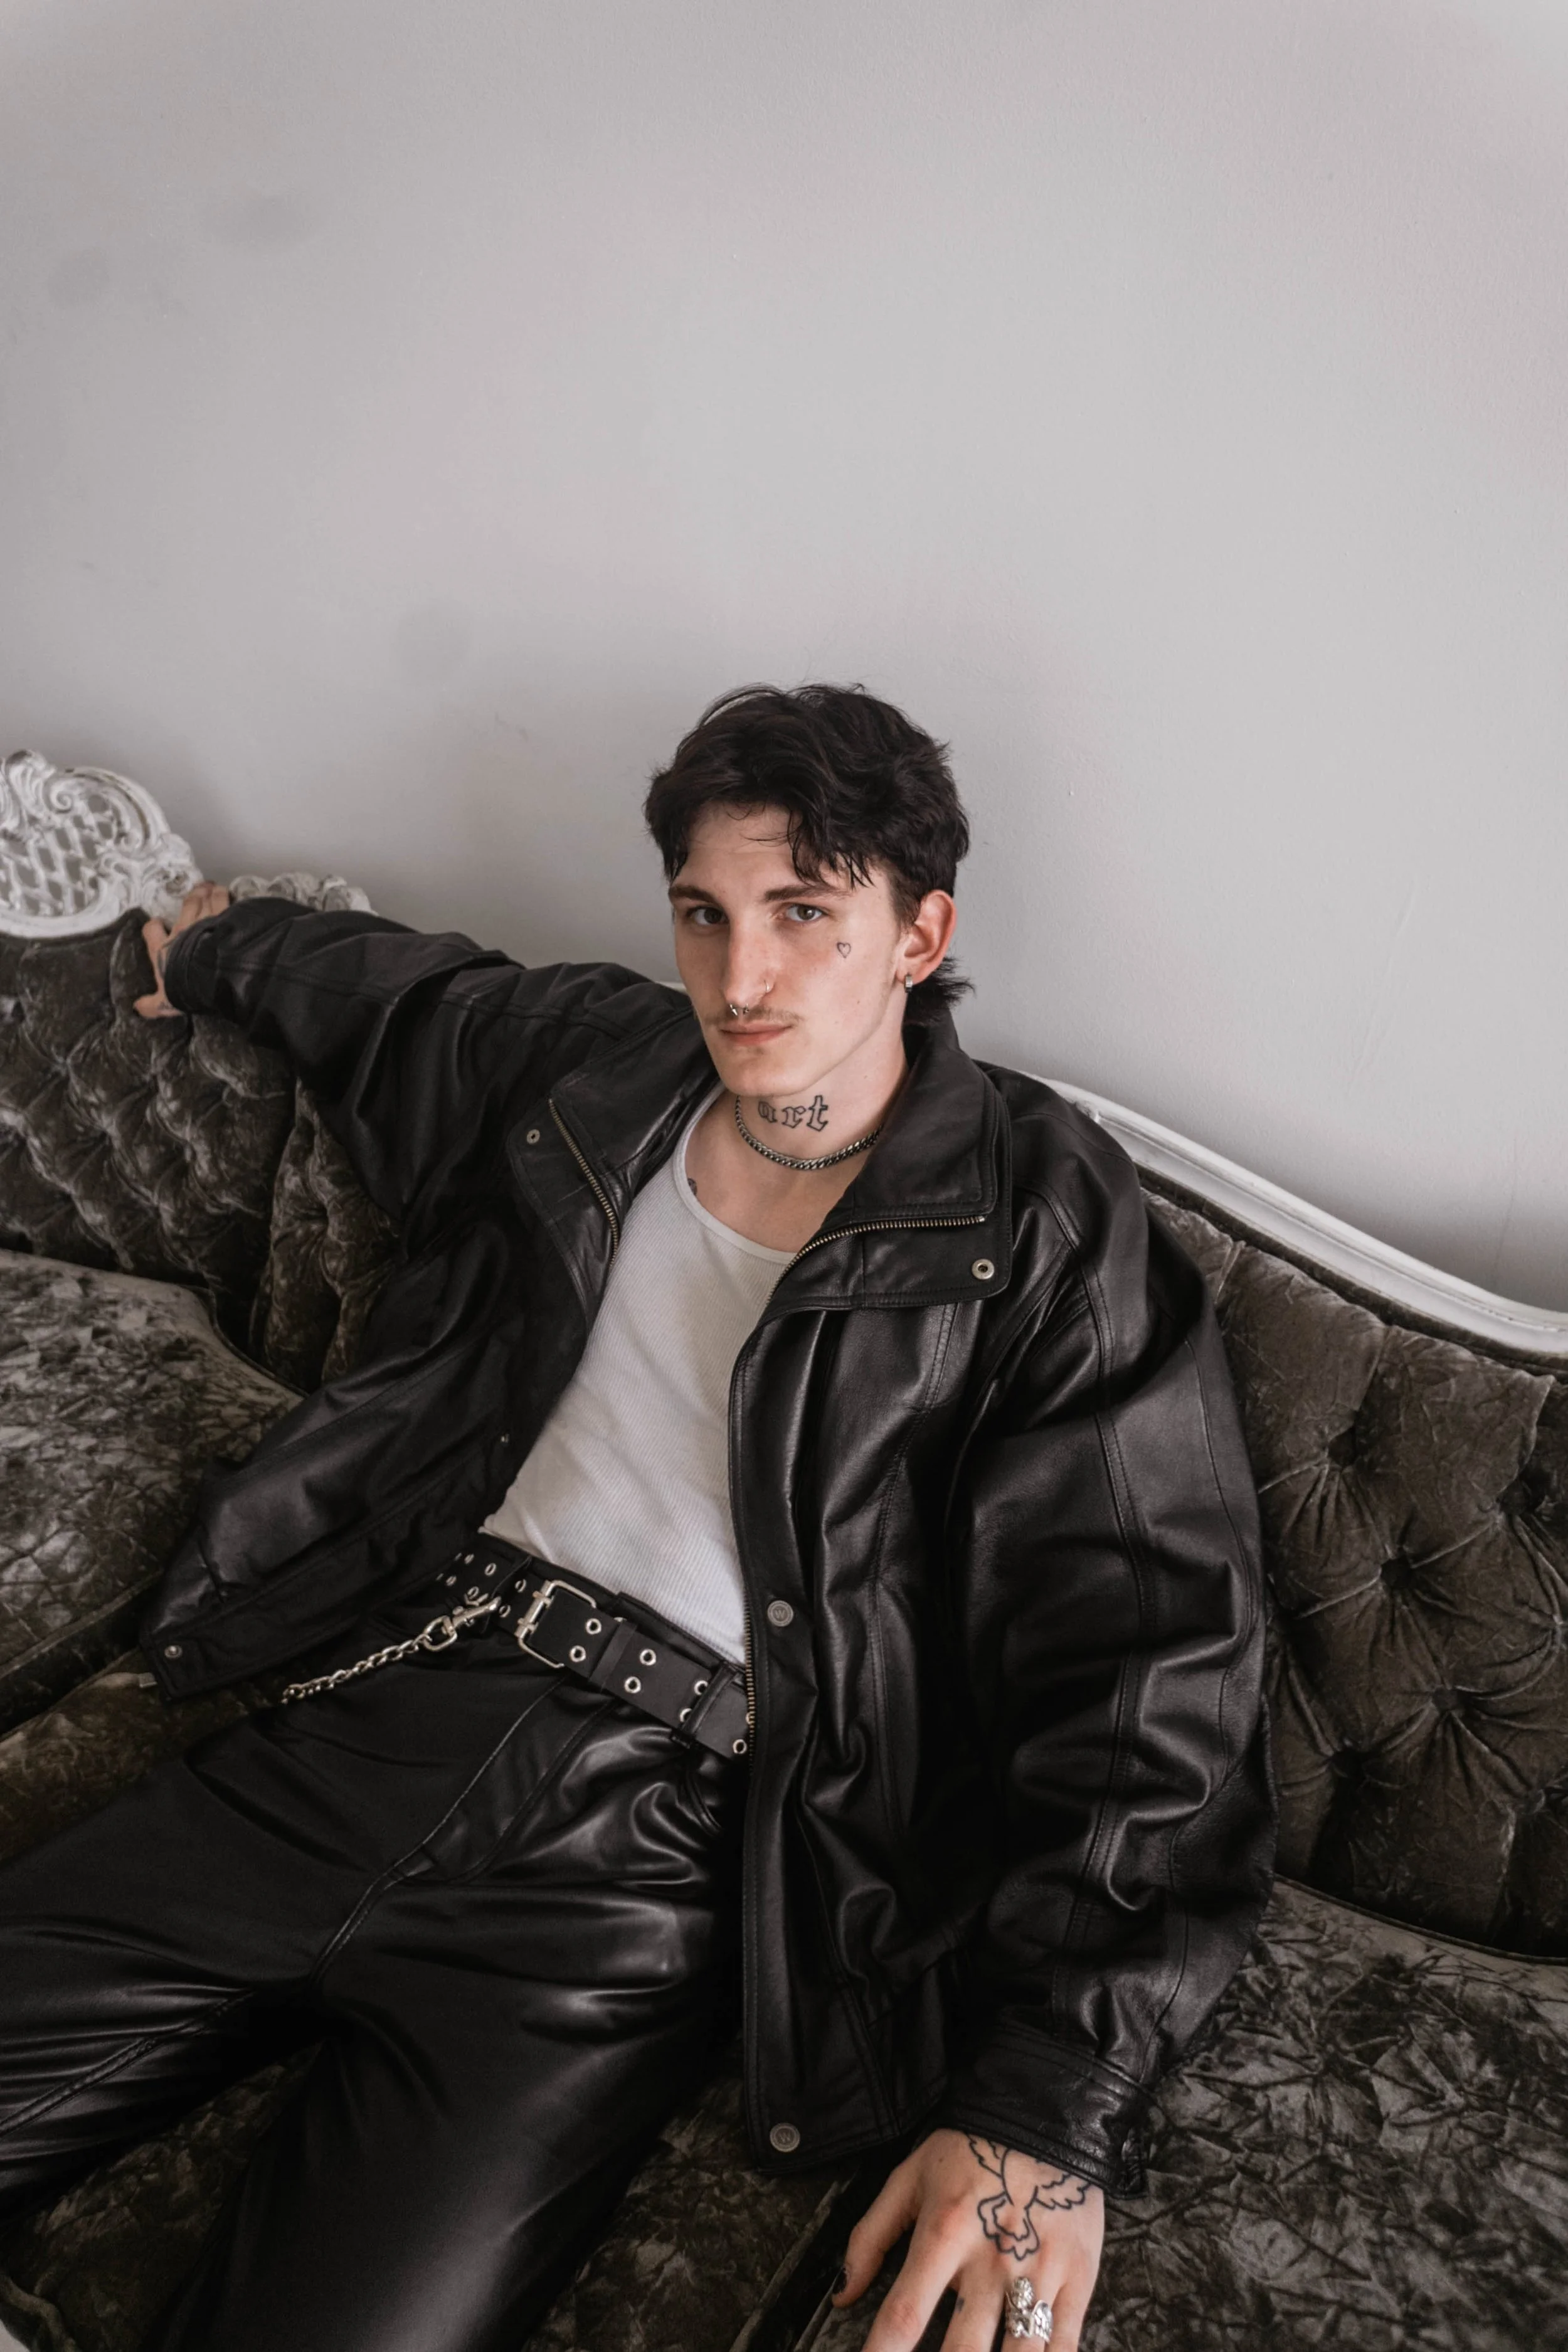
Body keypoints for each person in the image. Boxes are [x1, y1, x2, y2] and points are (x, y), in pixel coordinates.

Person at [0, 684, 1274, 2352]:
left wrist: (1046, 2110)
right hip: (374, 1711)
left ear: (918, 929)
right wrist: (218, 947)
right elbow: (400, 1003)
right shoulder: (598, 1064)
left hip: (643, 1875)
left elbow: (1153, 1665)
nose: (742, 977)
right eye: (706, 912)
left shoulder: (1039, 1221)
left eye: (805, 914)